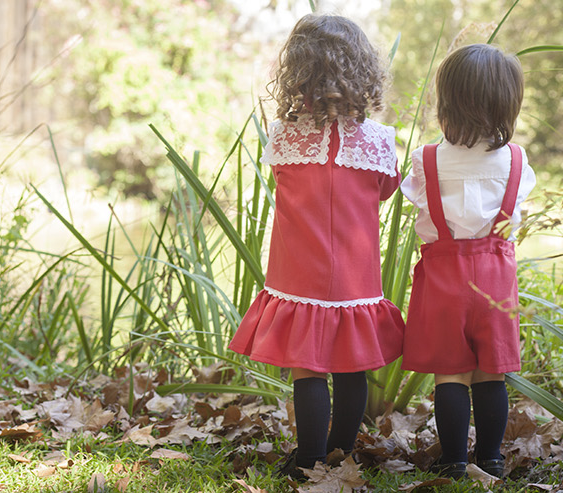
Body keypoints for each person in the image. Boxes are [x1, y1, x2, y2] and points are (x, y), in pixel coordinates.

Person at [227, 14, 406, 480]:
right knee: (351, 367)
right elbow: (387, 190)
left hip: (297, 273)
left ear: (297, 73)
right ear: (362, 73)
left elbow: (284, 182)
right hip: (354, 276)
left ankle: (307, 458)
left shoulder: (284, 135)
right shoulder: (380, 142)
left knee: (307, 369)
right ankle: (339, 451)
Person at [399, 43, 534, 480]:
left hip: (443, 276)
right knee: (491, 371)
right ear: (508, 104)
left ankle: (454, 459)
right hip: (496, 279)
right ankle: (491, 457)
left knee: (451, 374)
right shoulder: (515, 160)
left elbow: (417, 206)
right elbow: (518, 213)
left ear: (447, 102)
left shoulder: (427, 160)